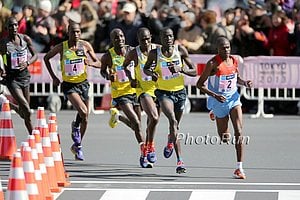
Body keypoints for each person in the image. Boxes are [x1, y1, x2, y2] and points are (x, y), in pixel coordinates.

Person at [196, 36, 252, 179]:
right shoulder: (212, 63)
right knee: (225, 137)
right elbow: (199, 84)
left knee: (239, 131)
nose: (226, 50)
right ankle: (214, 112)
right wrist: (215, 96)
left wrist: (244, 83)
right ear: (218, 49)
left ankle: (239, 168)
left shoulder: (233, 60)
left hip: (233, 99)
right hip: (218, 101)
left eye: (228, 47)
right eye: (223, 48)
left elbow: (236, 78)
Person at [44, 22, 101, 161]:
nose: (76, 34)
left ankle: (77, 145)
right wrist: (54, 77)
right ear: (68, 33)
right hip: (69, 85)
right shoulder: (62, 47)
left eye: (78, 32)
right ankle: (76, 129)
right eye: (73, 32)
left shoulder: (85, 46)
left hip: (83, 84)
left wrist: (91, 63)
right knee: (83, 111)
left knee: (85, 118)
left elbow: (99, 63)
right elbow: (46, 58)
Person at [143, 27, 197, 174]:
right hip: (163, 93)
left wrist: (182, 69)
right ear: (160, 38)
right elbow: (146, 69)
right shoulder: (155, 53)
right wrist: (152, 74)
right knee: (172, 121)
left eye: (171, 36)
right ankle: (180, 162)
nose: (168, 39)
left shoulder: (180, 51)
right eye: (165, 36)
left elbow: (195, 71)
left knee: (175, 126)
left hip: (180, 92)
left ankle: (170, 141)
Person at [100, 28, 150, 168]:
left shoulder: (132, 51)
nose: (120, 39)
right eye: (116, 37)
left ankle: (119, 118)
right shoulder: (108, 56)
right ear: (112, 40)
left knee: (137, 125)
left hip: (135, 90)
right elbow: (102, 71)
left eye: (121, 36)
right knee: (136, 123)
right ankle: (144, 154)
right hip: (121, 94)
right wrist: (107, 76)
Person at [122, 27, 160, 165]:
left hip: (158, 89)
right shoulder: (134, 53)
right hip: (143, 90)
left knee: (152, 121)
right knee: (154, 118)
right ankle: (150, 146)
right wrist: (131, 78)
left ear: (151, 37)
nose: (146, 42)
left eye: (148, 39)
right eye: (143, 40)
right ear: (138, 40)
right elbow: (125, 66)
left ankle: (146, 150)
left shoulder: (157, 49)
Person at [0, 16, 38, 134]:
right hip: (12, 79)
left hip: (25, 77)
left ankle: (32, 136)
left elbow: (35, 55)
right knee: (27, 109)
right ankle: (16, 108)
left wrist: (27, 63)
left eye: (16, 25)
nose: (14, 28)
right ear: (7, 28)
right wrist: (1, 69)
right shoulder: (3, 43)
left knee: (26, 114)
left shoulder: (25, 39)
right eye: (11, 26)